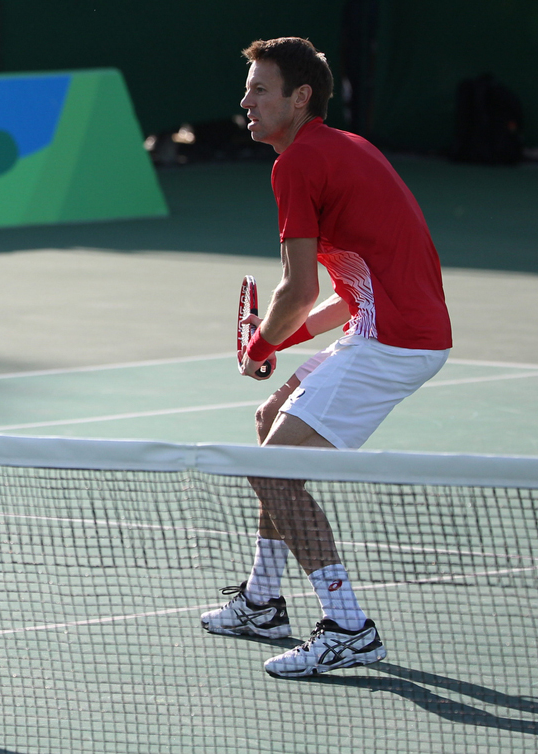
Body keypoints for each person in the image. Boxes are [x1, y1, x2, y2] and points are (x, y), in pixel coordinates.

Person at [200, 37, 451, 678]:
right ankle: (262, 599)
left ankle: (347, 626)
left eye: (261, 89)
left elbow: (298, 288)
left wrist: (261, 344)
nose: (245, 101)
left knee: (274, 471)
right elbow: (346, 298)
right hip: (390, 328)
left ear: (300, 97)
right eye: (247, 88)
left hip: (394, 343)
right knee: (268, 426)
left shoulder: (298, 163)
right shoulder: (344, 150)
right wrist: (279, 345)